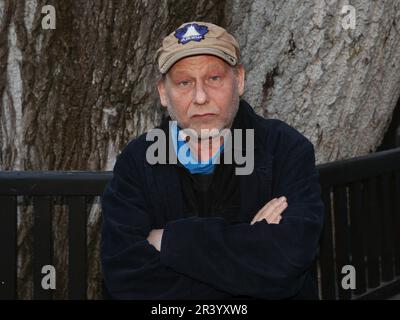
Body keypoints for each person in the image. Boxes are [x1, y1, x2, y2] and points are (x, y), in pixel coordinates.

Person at [100, 21, 324, 299]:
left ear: (239, 80)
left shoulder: (285, 148)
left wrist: (169, 240)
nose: (201, 97)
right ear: (163, 93)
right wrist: (247, 246)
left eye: (214, 78)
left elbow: (288, 260)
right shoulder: (137, 160)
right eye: (184, 82)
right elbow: (125, 274)